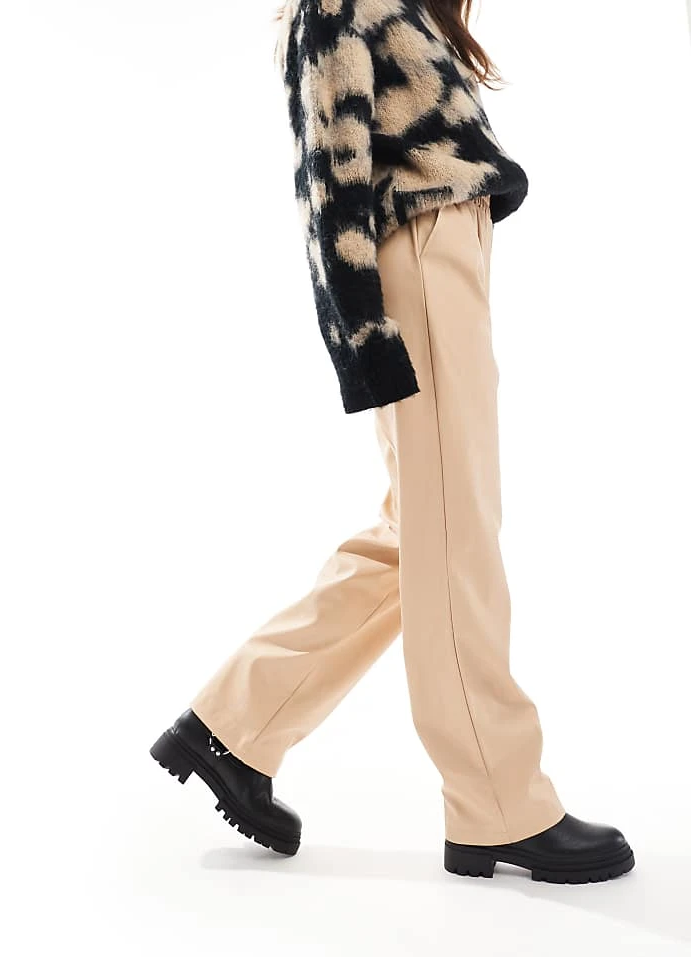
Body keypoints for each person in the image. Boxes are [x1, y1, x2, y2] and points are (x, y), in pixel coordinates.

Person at [150, 0, 635, 884]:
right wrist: (362, 339)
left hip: (445, 251)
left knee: (424, 529)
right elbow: (329, 177)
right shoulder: (340, 4)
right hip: (419, 255)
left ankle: (234, 725)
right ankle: (498, 799)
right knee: (459, 534)